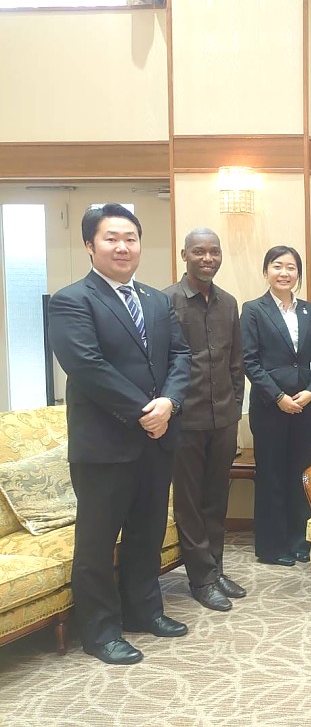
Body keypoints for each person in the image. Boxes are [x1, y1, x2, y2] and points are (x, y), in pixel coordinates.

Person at [48, 203, 191, 665]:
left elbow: (181, 356)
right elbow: (86, 365)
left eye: (130, 238)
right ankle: (100, 631)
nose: (122, 247)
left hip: (157, 437)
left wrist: (169, 404)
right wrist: (144, 412)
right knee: (97, 542)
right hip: (105, 444)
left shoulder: (156, 299)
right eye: (111, 238)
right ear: (90, 245)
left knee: (146, 533)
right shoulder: (73, 300)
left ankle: (143, 611)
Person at [163, 228, 246, 611]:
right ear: (185, 255)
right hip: (185, 419)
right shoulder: (166, 301)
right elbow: (162, 363)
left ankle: (216, 568)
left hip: (223, 417)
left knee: (217, 497)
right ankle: (201, 578)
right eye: (199, 251)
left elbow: (236, 361)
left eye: (214, 251)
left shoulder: (228, 303)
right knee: (190, 502)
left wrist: (234, 406)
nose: (208, 258)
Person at [241, 246, 311, 566]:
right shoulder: (253, 310)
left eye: (291, 267)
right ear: (266, 271)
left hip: (305, 405)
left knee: (299, 472)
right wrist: (278, 397)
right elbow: (249, 361)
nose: (284, 273)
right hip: (270, 406)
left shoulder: (309, 311)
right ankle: (272, 546)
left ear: (298, 274)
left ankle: (298, 540)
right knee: (272, 474)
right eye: (277, 266)